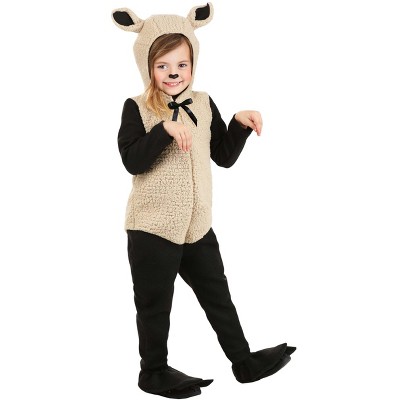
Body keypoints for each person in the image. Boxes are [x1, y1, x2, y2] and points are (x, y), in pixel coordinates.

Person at [112, 3, 296, 398]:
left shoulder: (203, 103)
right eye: (162, 65)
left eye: (182, 64)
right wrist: (163, 130)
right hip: (152, 227)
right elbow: (132, 161)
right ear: (147, 66)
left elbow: (222, 156)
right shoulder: (137, 108)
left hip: (197, 225)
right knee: (155, 305)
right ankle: (153, 372)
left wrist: (238, 126)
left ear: (193, 63)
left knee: (218, 295)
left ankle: (243, 361)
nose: (173, 72)